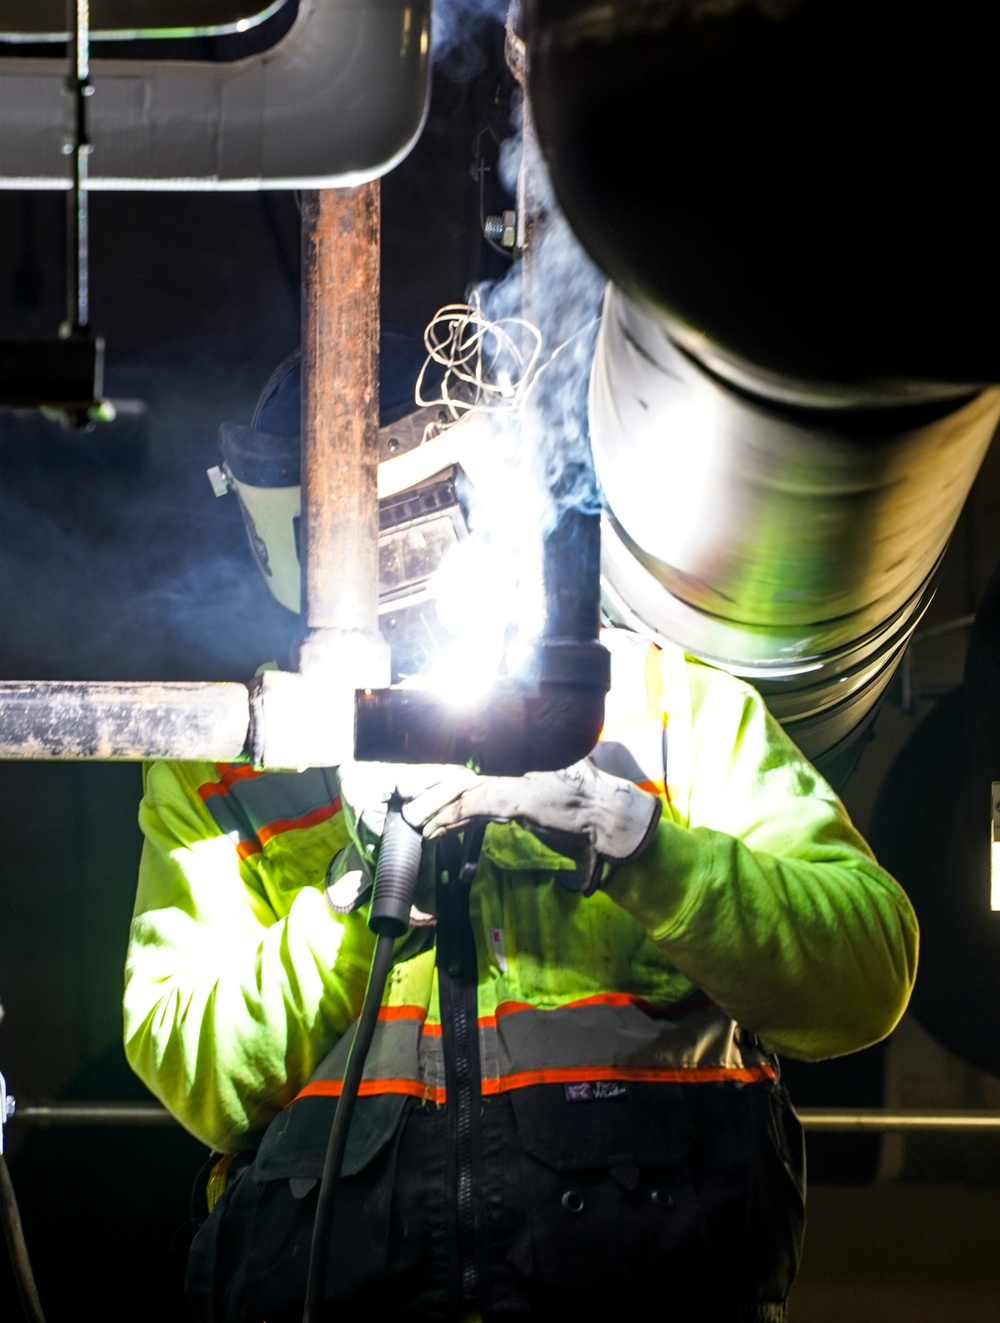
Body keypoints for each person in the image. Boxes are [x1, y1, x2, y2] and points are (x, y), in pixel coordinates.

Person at [123, 352, 918, 1322]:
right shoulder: (237, 766)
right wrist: (346, 903)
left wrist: (640, 846)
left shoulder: (672, 708)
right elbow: (193, 1069)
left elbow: (863, 979)